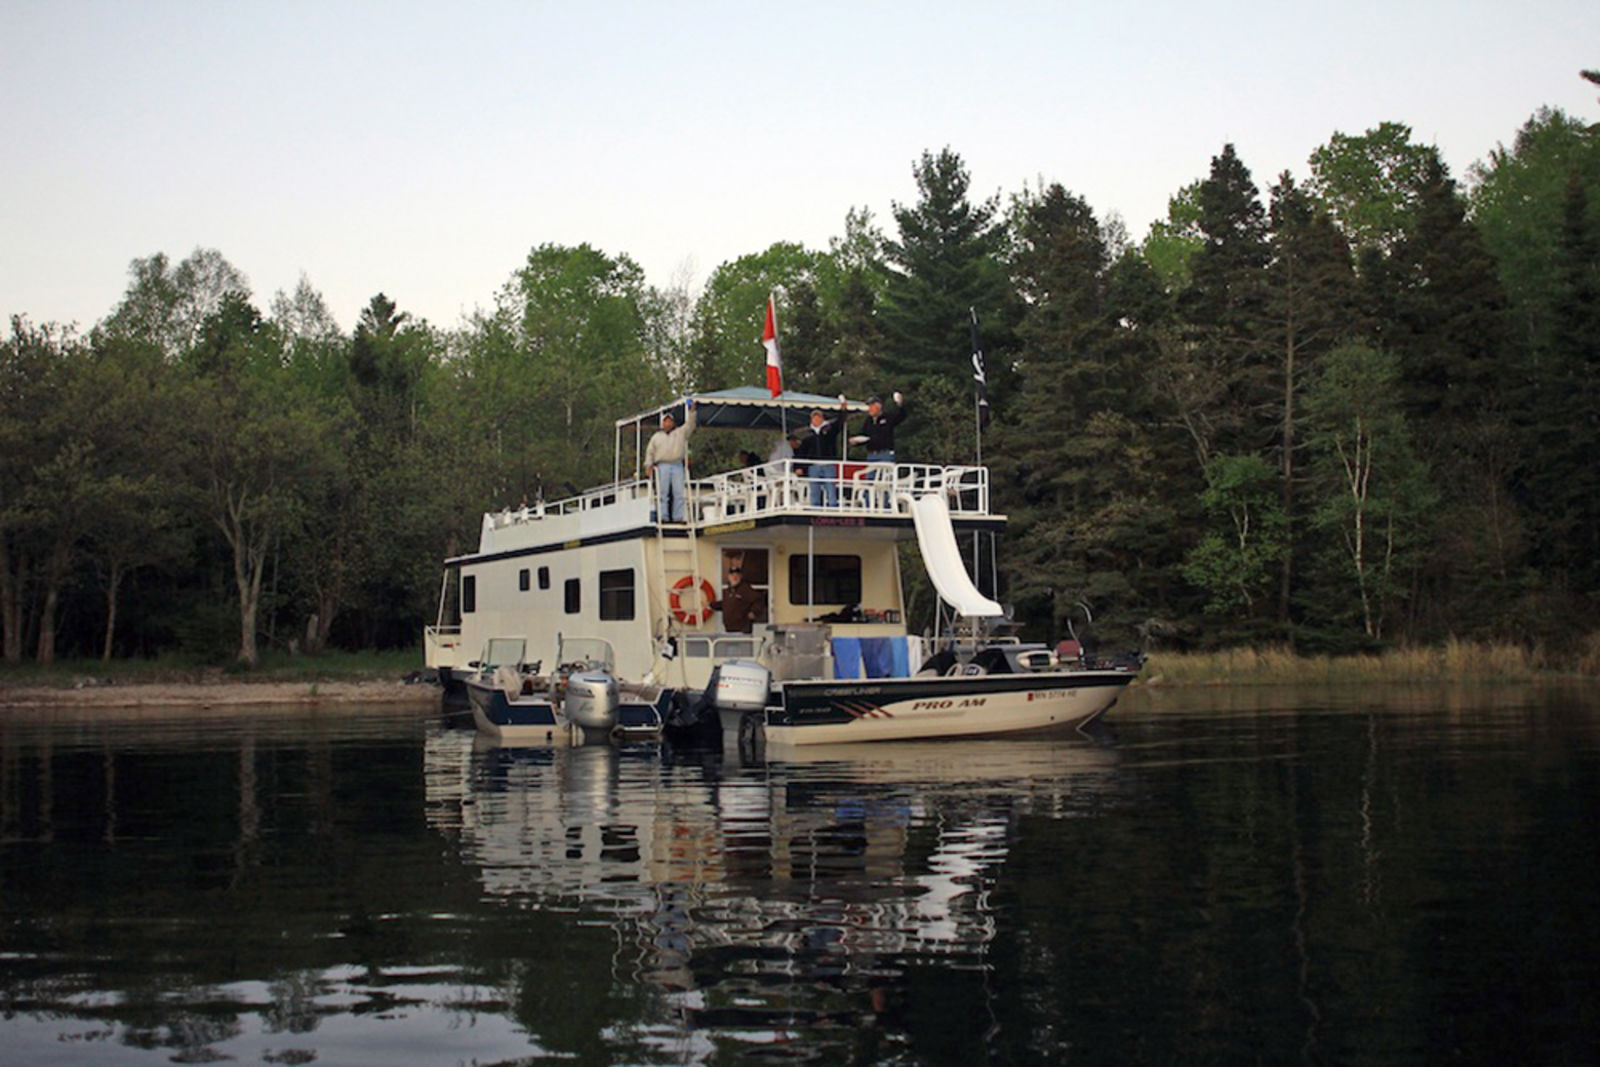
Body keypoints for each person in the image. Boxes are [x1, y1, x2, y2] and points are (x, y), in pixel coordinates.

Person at [643, 399, 696, 521]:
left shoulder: (680, 433)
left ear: (673, 422)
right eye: (665, 421)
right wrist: (648, 466)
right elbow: (650, 452)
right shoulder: (656, 437)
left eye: (669, 421)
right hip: (662, 466)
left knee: (679, 493)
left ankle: (678, 517)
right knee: (663, 493)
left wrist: (691, 410)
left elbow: (691, 425)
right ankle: (663, 516)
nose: (667, 423)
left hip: (677, 465)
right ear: (662, 423)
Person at [795, 400, 847, 506]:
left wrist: (843, 410)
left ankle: (833, 512)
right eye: (814, 417)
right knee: (814, 492)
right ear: (811, 419)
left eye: (818, 417)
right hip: (814, 466)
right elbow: (801, 452)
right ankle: (815, 513)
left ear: (822, 418)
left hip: (828, 465)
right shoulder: (807, 434)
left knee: (831, 491)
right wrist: (798, 466)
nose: (816, 419)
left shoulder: (829, 430)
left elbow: (840, 422)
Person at [853, 390, 907, 471]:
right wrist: (855, 441)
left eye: (872, 406)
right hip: (871, 455)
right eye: (869, 406)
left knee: (885, 478)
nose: (869, 409)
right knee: (869, 479)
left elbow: (901, 416)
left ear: (878, 406)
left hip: (885, 454)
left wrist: (900, 404)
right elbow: (865, 436)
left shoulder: (888, 418)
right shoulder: (868, 421)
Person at [709, 565, 766, 633]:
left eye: (737, 575)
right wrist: (710, 604)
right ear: (729, 577)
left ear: (741, 576)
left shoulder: (745, 589)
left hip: (743, 629)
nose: (735, 577)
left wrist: (754, 612)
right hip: (729, 629)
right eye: (732, 575)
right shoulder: (727, 591)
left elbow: (759, 599)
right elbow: (725, 604)